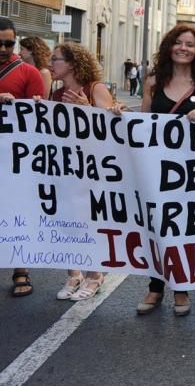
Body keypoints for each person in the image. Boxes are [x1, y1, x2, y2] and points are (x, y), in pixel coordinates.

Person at [136, 25, 195, 316]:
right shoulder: (152, 81)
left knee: (181, 228)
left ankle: (182, 287)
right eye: (178, 43)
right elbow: (142, 123)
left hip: (190, 174)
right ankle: (155, 286)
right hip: (156, 168)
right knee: (156, 225)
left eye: (190, 45)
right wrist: (117, 114)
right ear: (169, 46)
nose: (183, 48)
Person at [47, 43, 115, 300]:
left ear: (73, 64)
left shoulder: (95, 89)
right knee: (68, 221)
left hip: (92, 169)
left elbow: (111, 128)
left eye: (56, 60)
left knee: (90, 222)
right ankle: (73, 273)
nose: (50, 64)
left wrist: (87, 109)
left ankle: (95, 275)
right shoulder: (55, 93)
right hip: (64, 168)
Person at [0, 17, 46, 297]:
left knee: (17, 212)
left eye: (9, 42)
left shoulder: (29, 73)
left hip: (15, 158)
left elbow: (38, 118)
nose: (4, 48)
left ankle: (21, 269)